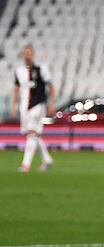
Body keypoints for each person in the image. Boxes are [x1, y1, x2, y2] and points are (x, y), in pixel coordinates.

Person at [11, 44, 55, 172]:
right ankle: (47, 159)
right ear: (22, 55)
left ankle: (25, 165)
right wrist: (14, 105)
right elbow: (16, 88)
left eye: (29, 53)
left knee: (31, 133)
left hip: (38, 105)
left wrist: (51, 103)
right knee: (32, 135)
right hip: (24, 107)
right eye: (25, 53)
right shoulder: (19, 71)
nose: (27, 55)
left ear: (33, 54)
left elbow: (51, 86)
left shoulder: (41, 69)